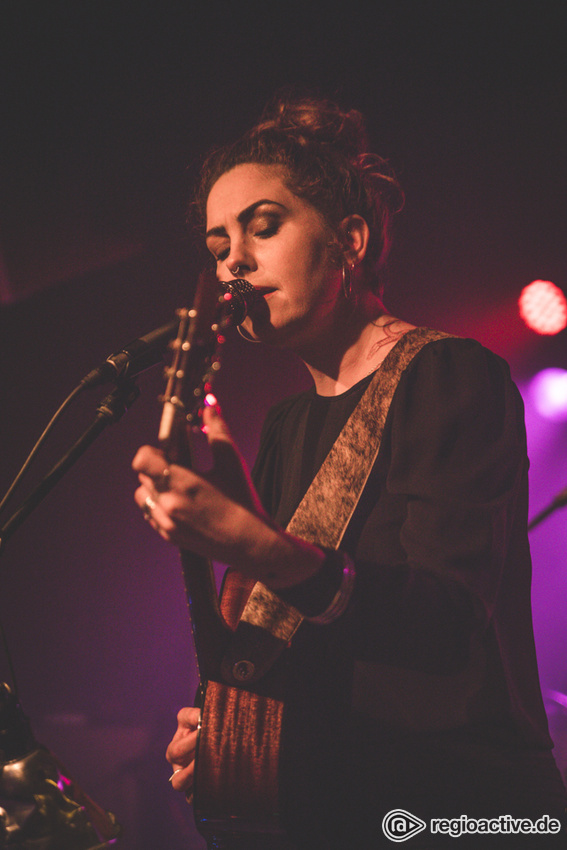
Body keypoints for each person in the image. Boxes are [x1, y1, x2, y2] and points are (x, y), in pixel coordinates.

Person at [132, 96, 567, 848]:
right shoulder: (284, 424)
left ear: (349, 241)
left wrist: (259, 547)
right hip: (336, 809)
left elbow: (444, 623)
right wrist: (229, 728)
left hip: (456, 808)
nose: (233, 259)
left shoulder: (449, 374)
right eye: (216, 244)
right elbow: (304, 641)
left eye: (263, 227)